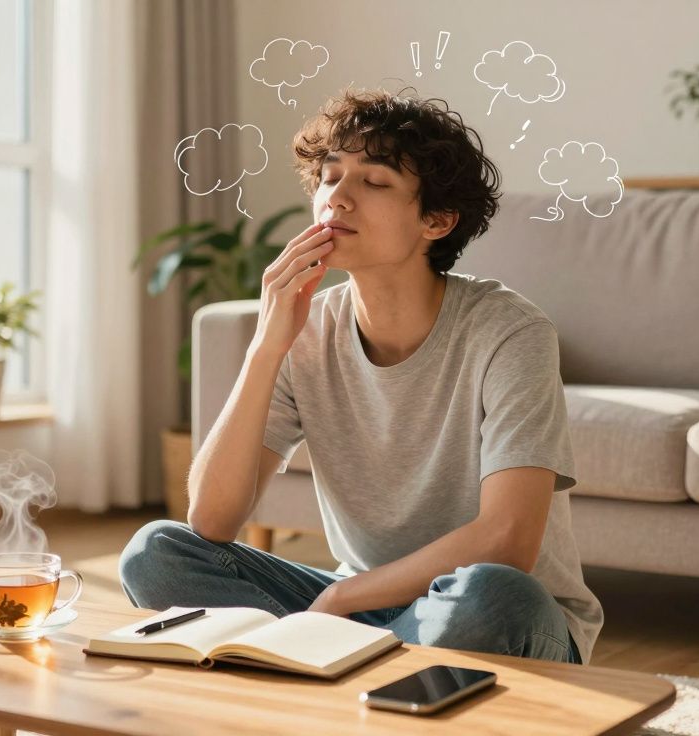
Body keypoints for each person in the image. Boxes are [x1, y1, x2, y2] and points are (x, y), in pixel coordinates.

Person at [120, 88, 603, 666]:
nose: (338, 199)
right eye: (329, 177)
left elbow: (507, 542)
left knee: (489, 594)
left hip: (492, 616)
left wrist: (342, 596)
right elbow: (212, 519)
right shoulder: (307, 330)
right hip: (363, 616)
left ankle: (327, 668)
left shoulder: (509, 331)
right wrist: (267, 345)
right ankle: (358, 674)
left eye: (373, 183)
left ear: (438, 220)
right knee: (156, 552)